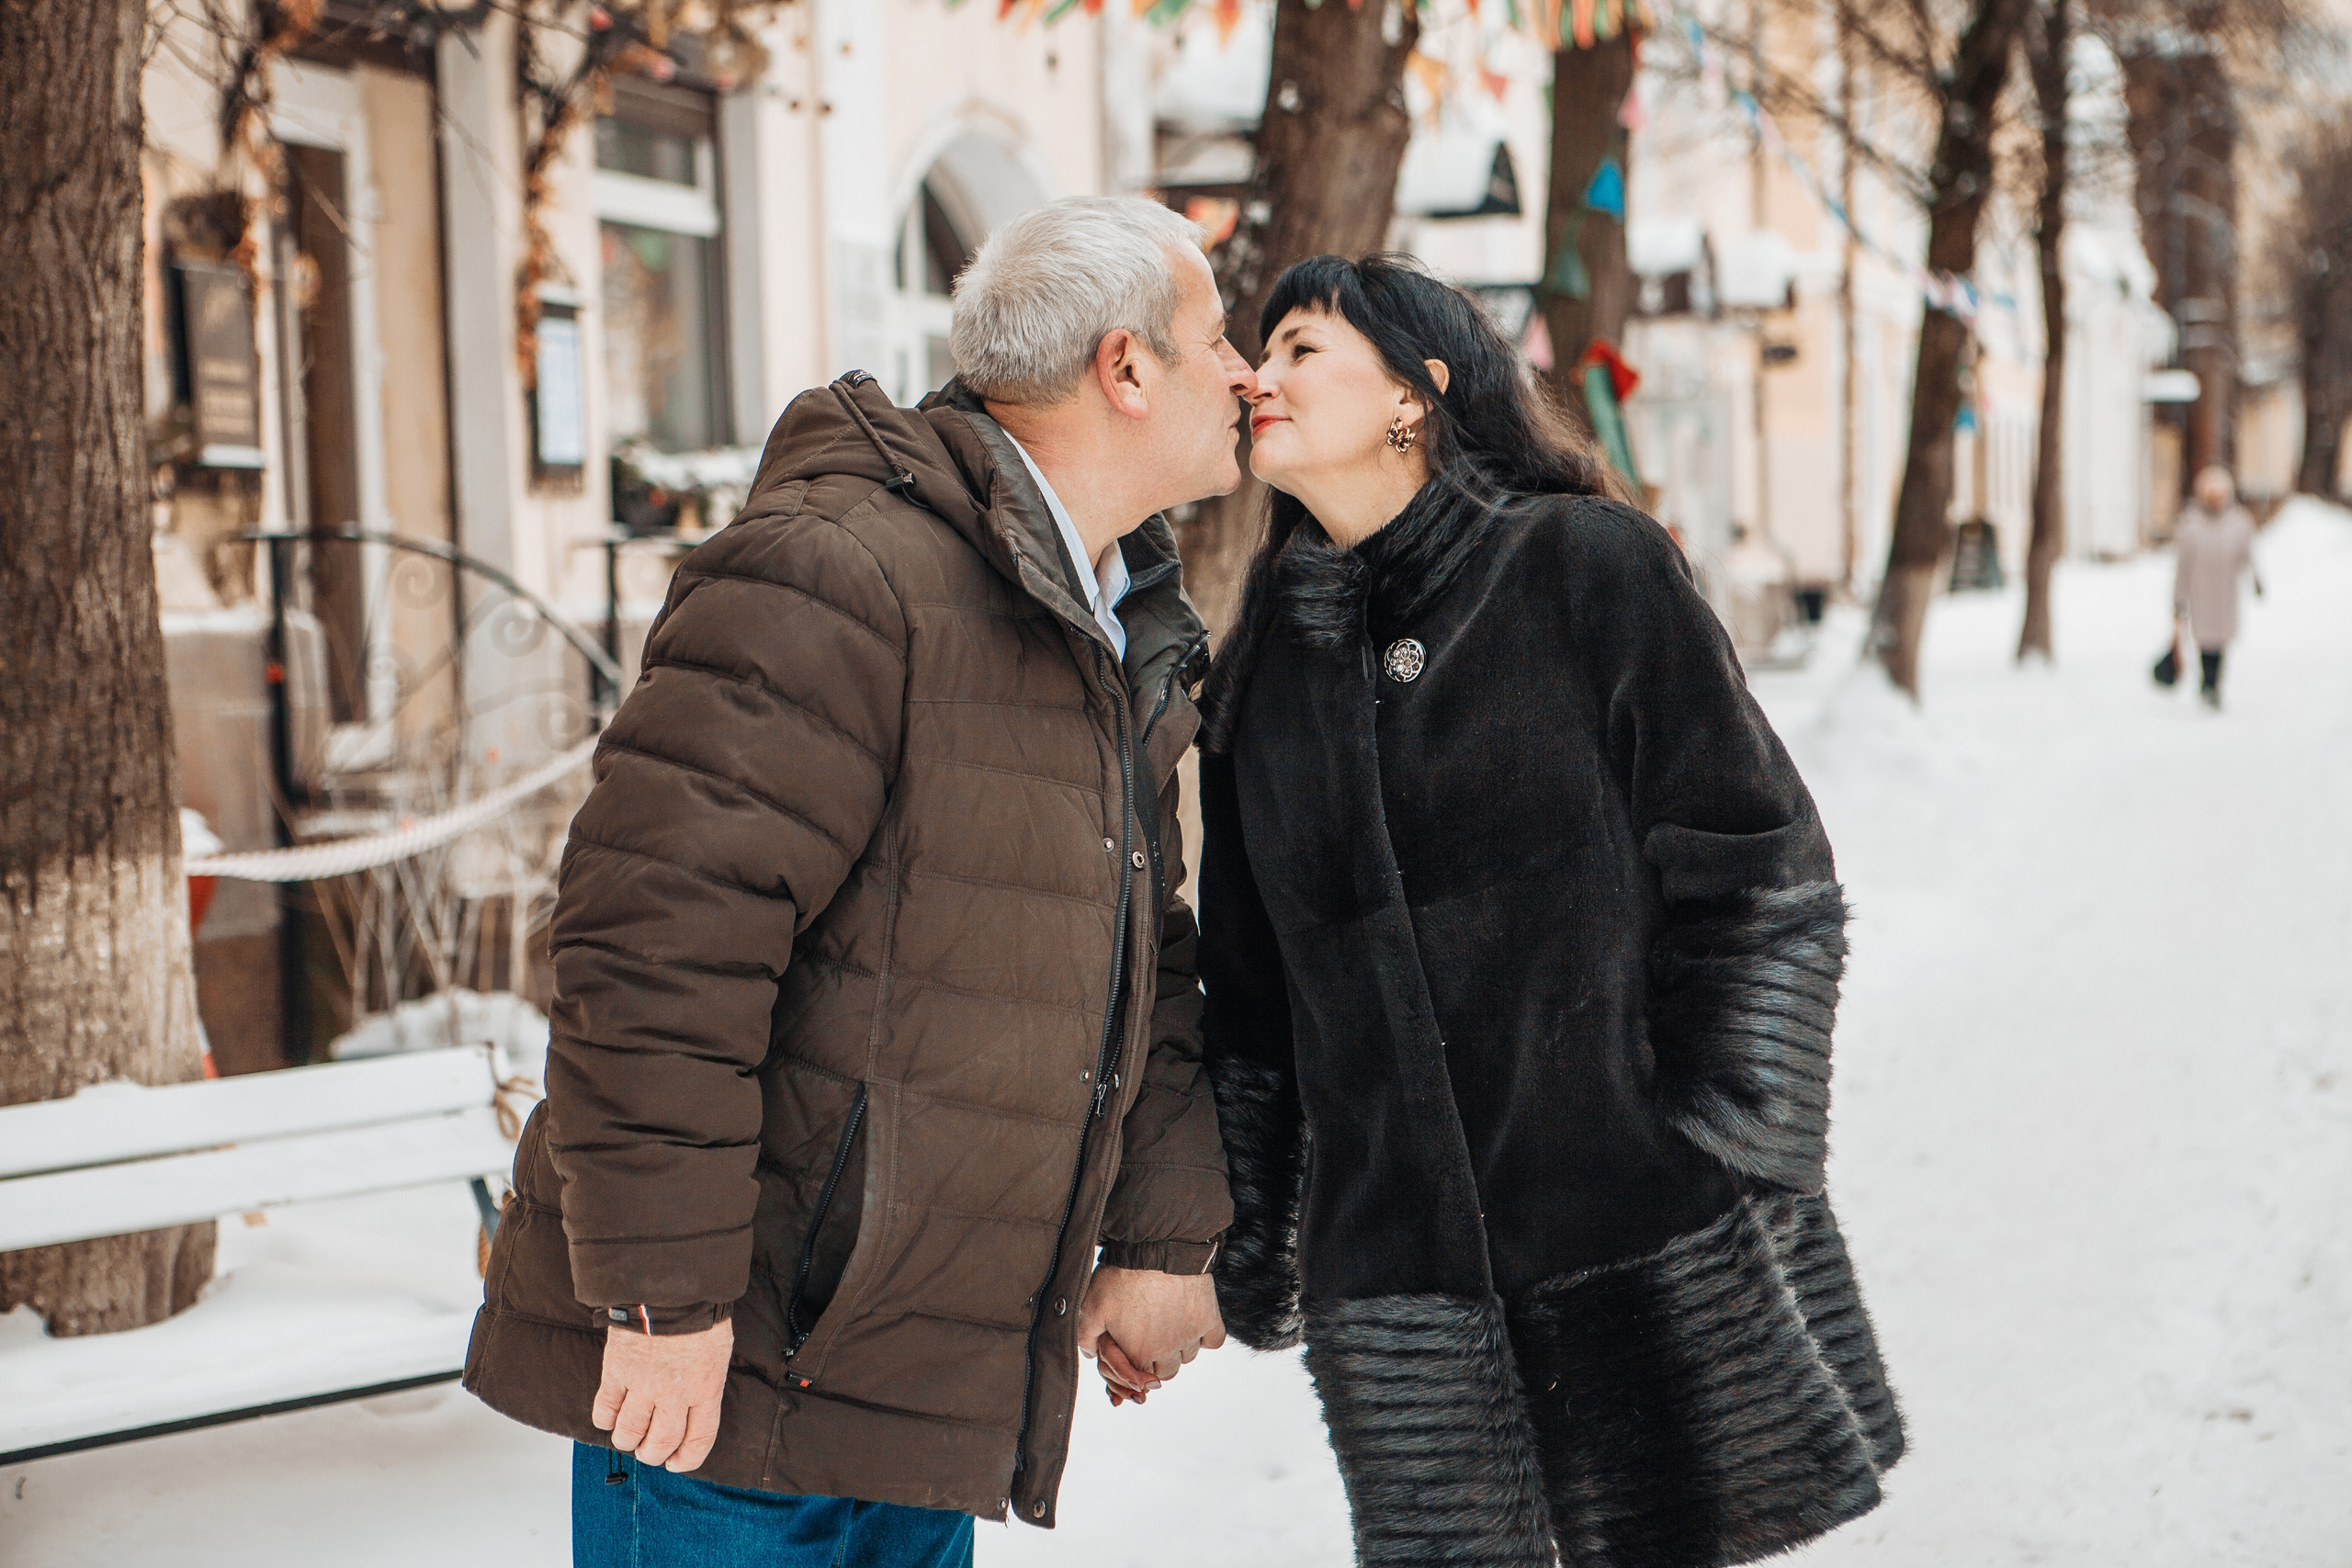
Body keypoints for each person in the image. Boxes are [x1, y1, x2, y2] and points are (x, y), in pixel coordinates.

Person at [463, 196, 1254, 1566]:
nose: (1248, 372)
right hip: (734, 1386)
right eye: (1218, 337)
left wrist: (1164, 1230)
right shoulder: (838, 572)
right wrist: (662, 1296)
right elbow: (654, 945)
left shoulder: (1104, 619)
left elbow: (1144, 954)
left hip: (913, 1391)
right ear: (1124, 370)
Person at [1179, 254, 1904, 1568]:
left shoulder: (1582, 564)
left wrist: (1725, 1130)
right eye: (1256, 353)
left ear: (1416, 391)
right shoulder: (1264, 670)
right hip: (1400, 1285)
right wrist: (1242, 1238)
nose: (1257, 378)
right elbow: (1252, 1000)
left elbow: (1756, 862)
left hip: (1635, 1221)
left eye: (1298, 349)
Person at [2174, 465, 2262, 708]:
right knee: (2204, 639)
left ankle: (2215, 684)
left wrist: (2256, 579)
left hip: (2225, 593)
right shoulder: (2191, 525)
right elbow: (2183, 566)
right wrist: (2179, 597)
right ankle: (2207, 682)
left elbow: (2247, 554)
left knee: (2221, 640)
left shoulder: (2238, 523)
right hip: (2200, 592)